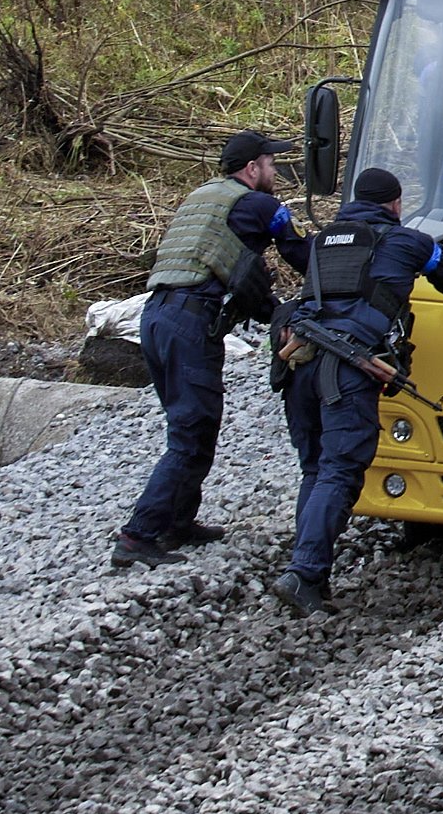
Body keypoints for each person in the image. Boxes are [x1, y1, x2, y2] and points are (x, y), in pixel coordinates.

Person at [273, 168, 443, 616]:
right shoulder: (409, 242)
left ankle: (307, 572)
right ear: (397, 204)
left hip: (298, 363)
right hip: (344, 369)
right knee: (340, 470)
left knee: (315, 468)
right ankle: (304, 573)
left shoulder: (324, 240)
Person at [113, 129, 309, 571]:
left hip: (157, 316)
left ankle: (179, 522)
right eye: (271, 164)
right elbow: (301, 254)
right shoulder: (259, 205)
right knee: (192, 430)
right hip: (190, 322)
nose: (276, 172)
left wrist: (273, 312)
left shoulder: (202, 198)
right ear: (251, 168)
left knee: (190, 426)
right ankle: (137, 535)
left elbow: (241, 278)